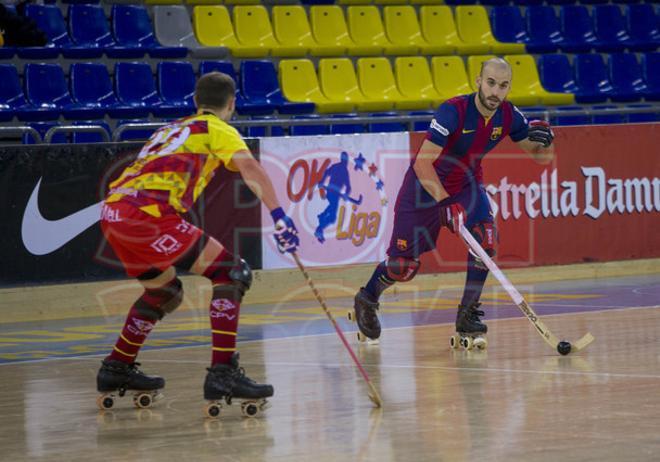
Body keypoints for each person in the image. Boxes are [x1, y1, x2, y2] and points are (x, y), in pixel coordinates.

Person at [96, 72, 299, 410]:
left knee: (164, 292)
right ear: (231, 104)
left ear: (195, 101)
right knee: (232, 273)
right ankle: (223, 373)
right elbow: (250, 169)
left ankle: (116, 367)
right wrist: (280, 215)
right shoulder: (217, 128)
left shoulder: (170, 129)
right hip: (148, 215)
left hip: (114, 214)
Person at [351, 58, 555, 347]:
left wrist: (548, 138)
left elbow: (540, 157)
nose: (496, 91)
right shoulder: (453, 111)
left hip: (466, 185)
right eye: (491, 83)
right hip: (423, 189)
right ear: (478, 81)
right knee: (402, 266)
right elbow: (423, 164)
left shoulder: (509, 115)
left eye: (503, 85)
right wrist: (445, 203)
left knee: (485, 239)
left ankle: (467, 315)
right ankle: (367, 298)